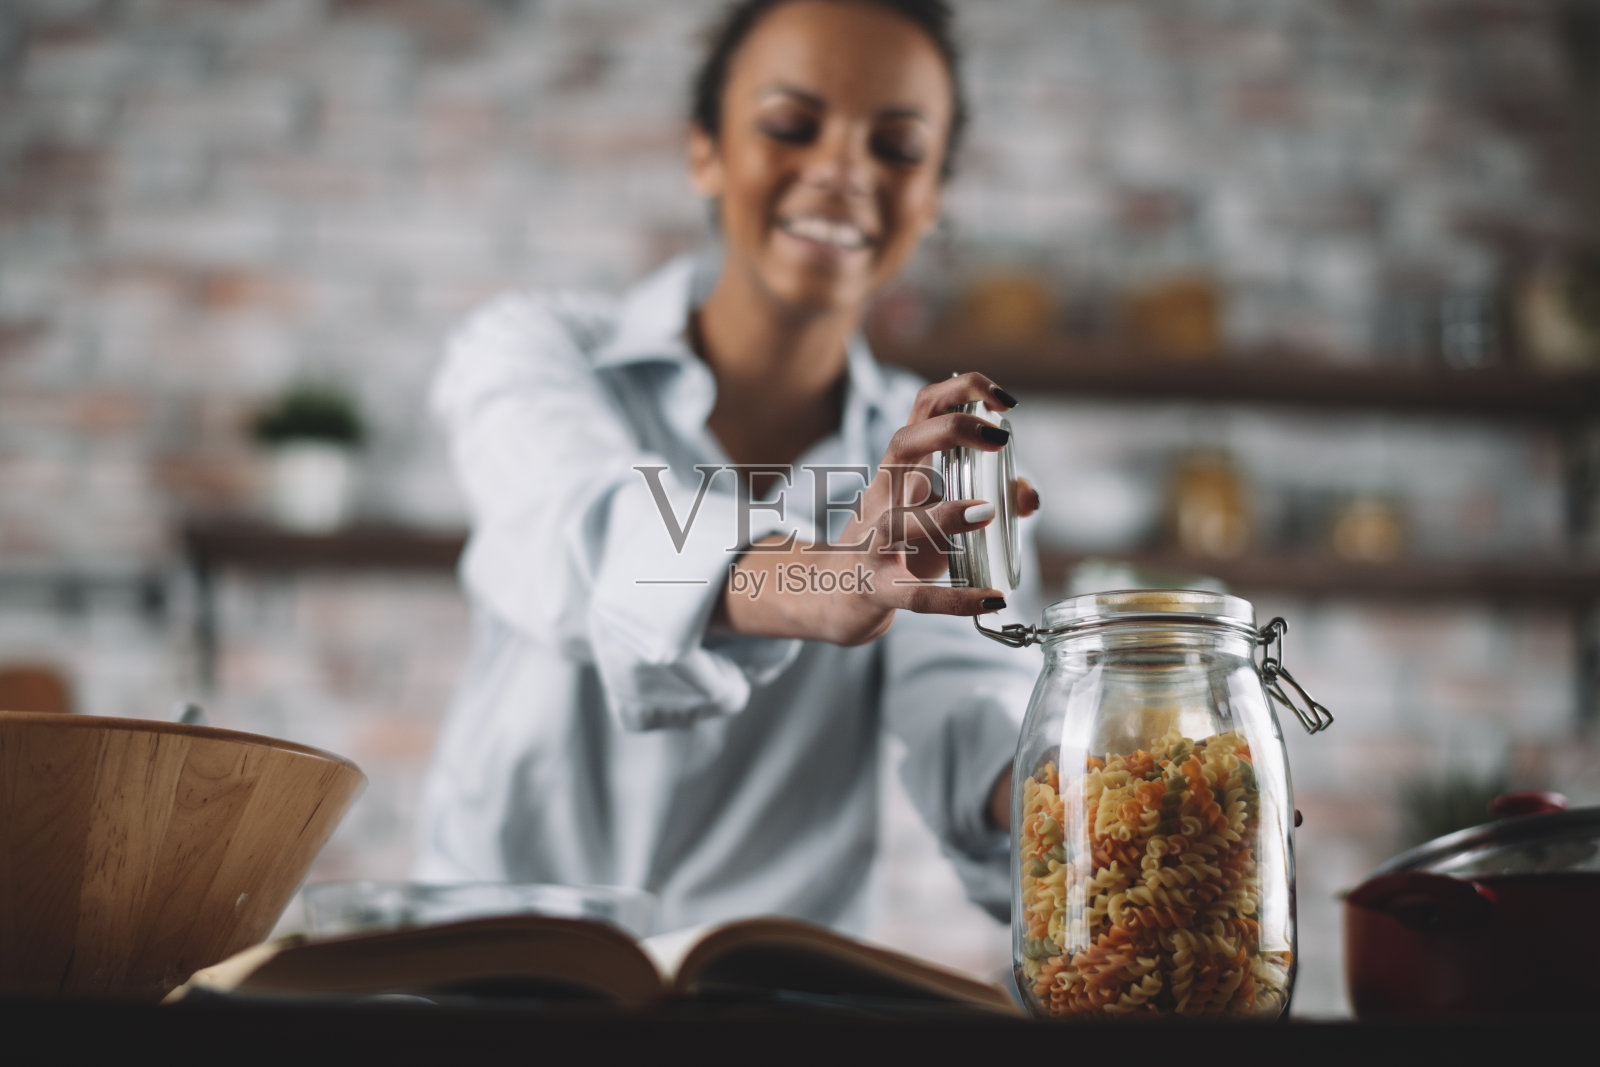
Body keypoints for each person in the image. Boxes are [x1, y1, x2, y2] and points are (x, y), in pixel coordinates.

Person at [414, 0, 1045, 939]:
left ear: (934, 197)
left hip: (767, 998)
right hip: (490, 967)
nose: (841, 171)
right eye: (793, 126)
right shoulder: (533, 352)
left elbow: (966, 700)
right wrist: (819, 577)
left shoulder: (945, 451)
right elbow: (587, 523)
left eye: (899, 148)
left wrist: (1070, 787)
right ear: (703, 149)